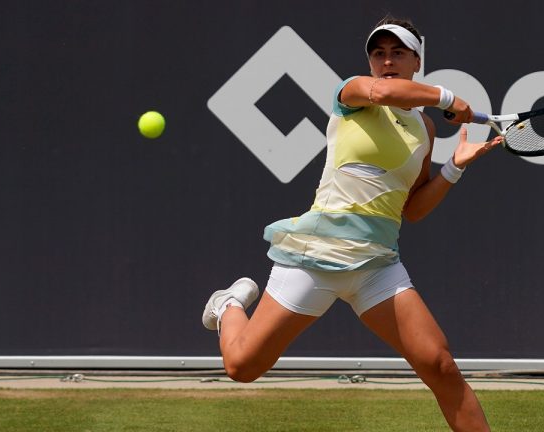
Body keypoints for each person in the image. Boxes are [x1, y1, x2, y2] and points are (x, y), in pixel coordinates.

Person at [202, 17, 503, 432]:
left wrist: (453, 168)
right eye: (378, 53)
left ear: (417, 59)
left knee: (440, 365)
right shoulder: (355, 91)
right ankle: (229, 305)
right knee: (242, 367)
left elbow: (411, 209)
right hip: (316, 256)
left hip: (378, 266)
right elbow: (383, 91)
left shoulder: (426, 129)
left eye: (398, 52)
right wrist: (447, 96)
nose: (386, 61)